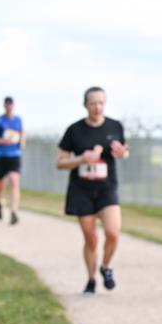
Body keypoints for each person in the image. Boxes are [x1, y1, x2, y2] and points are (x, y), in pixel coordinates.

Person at [56, 87, 129, 295]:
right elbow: (60, 162)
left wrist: (123, 153)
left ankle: (106, 267)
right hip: (82, 189)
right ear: (85, 105)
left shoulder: (115, 126)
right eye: (93, 103)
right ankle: (90, 279)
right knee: (91, 239)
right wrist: (81, 159)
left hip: (107, 188)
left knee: (113, 233)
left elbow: (124, 150)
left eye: (101, 103)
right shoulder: (74, 130)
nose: (98, 107)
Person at [0, 97, 24, 225]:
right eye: (7, 104)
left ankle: (14, 211)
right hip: (0, 155)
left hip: (14, 155)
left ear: (13, 106)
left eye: (11, 104)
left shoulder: (18, 120)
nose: (9, 107)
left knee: (15, 181)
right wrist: (3, 141)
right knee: (0, 185)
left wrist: (22, 143)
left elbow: (22, 134)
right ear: (4, 106)